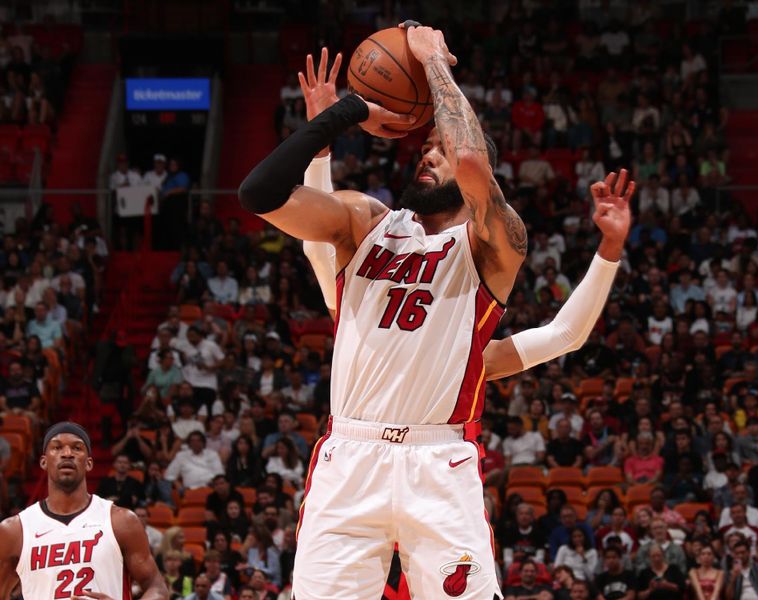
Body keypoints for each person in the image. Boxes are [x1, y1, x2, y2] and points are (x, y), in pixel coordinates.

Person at [238, 32, 633, 598]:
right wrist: (338, 119)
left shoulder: (494, 246)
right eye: (424, 148)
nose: (429, 154)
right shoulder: (364, 222)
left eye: (439, 151)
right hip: (351, 457)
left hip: (437, 462)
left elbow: (564, 332)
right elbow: (260, 194)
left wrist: (432, 64)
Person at [0, 422, 168, 598]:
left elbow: (157, 589)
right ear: (43, 461)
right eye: (57, 448)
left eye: (77, 448)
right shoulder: (15, 530)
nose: (67, 454)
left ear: (89, 464)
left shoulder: (121, 521)